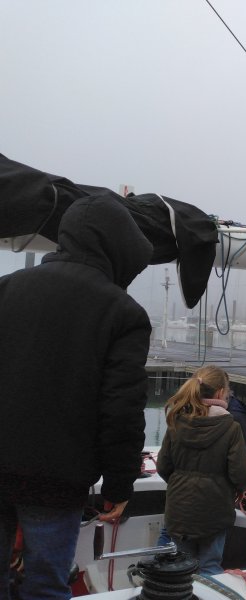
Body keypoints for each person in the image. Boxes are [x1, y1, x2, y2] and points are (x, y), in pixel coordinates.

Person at [0, 196, 153, 600]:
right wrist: (119, 484)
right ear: (119, 247)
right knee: (46, 584)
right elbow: (121, 408)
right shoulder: (123, 312)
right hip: (56, 480)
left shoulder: (6, 288)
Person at [157, 366, 246, 575]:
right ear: (220, 393)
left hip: (179, 508)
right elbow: (242, 474)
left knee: (180, 567)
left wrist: (180, 483)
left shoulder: (176, 421)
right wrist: (239, 489)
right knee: (209, 566)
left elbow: (163, 466)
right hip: (215, 510)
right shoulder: (230, 427)